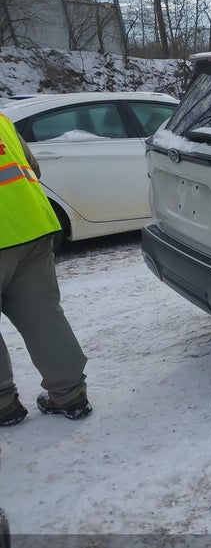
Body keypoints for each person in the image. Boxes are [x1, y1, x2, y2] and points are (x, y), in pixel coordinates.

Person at [0, 111, 91, 426]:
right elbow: (32, 169)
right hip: (33, 226)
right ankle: (70, 394)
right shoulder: (1, 120)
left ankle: (3, 404)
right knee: (43, 315)